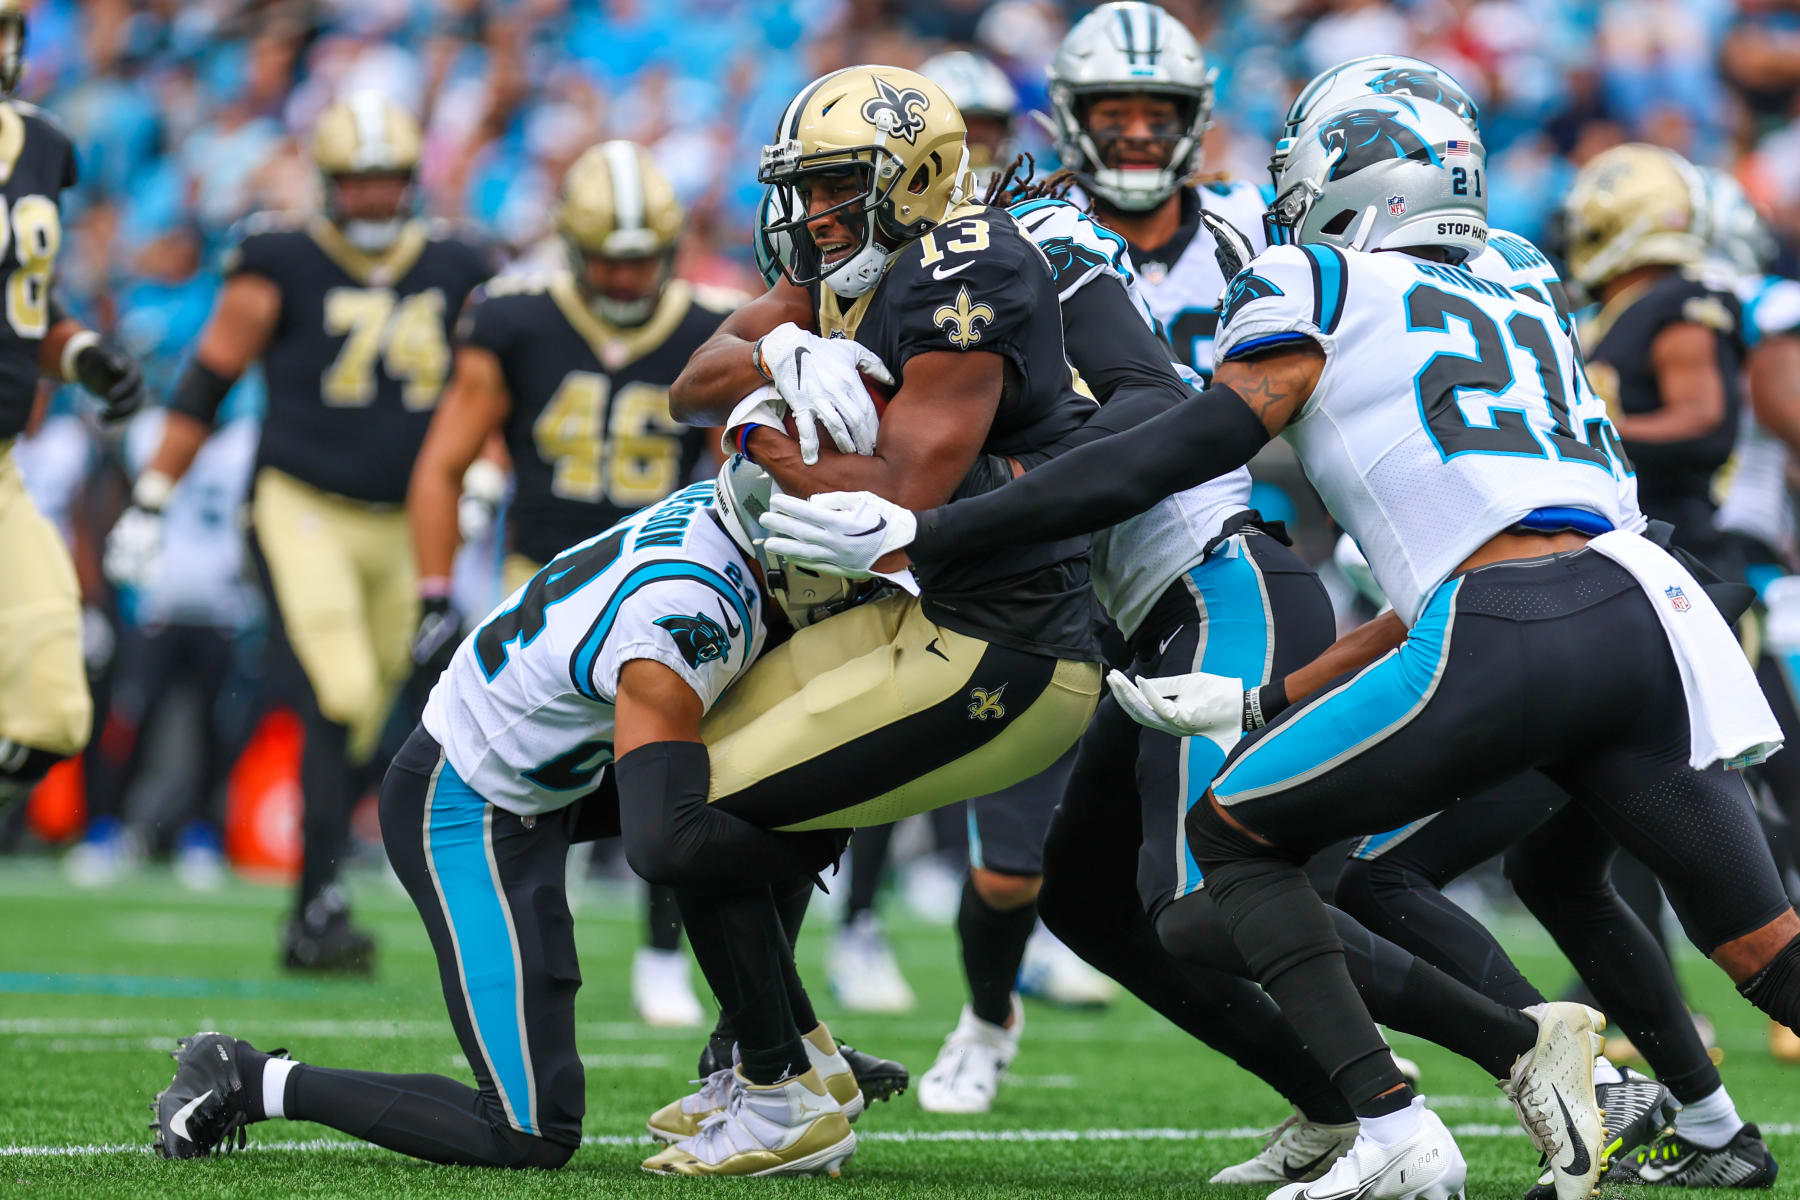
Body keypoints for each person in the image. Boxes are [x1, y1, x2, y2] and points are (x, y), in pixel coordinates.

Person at [761, 92, 1800, 1200]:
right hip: (1649, 604)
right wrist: (1267, 702)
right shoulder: (1520, 278)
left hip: (1492, 620)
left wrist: (932, 531)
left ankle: (1413, 1120)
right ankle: (1706, 1129)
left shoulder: (1315, 279)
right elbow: (1498, 535)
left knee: (1231, 837)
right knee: (1761, 944)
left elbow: (1182, 445)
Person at [149, 480, 865, 1177]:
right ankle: (249, 1078)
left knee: (758, 791)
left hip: (545, 775)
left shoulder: (726, 524)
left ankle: (766, 1046)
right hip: (466, 802)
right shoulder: (691, 609)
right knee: (529, 1131)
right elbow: (665, 843)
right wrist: (810, 848)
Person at [106, 92, 492, 972]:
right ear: (327, 182)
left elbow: (486, 387)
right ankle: (317, 895)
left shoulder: (455, 262)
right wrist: (154, 494)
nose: (373, 196)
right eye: (358, 180)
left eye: (388, 178)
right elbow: (208, 379)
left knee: (378, 702)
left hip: (408, 514)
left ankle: (317, 897)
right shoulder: (279, 258)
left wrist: (484, 473)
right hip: (302, 504)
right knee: (342, 690)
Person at [408, 139, 736, 1028]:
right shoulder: (513, 315)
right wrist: (435, 589)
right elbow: (442, 462)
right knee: (528, 777)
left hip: (664, 579)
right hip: (544, 583)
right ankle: (535, 949)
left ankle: (663, 952)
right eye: (607, 259)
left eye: (642, 259)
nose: (626, 278)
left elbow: (735, 468)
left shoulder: (714, 322)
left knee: (677, 770)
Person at [0, 0, 146, 814]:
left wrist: (82, 353)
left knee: (52, 713)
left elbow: (26, 304)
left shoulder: (42, 146)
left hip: (3, 467)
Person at [1044, 1, 1268, 384]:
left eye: (1160, 117)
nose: (1138, 135)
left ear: (1193, 118)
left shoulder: (1255, 217)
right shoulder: (1039, 228)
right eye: (1114, 116)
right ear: (1073, 116)